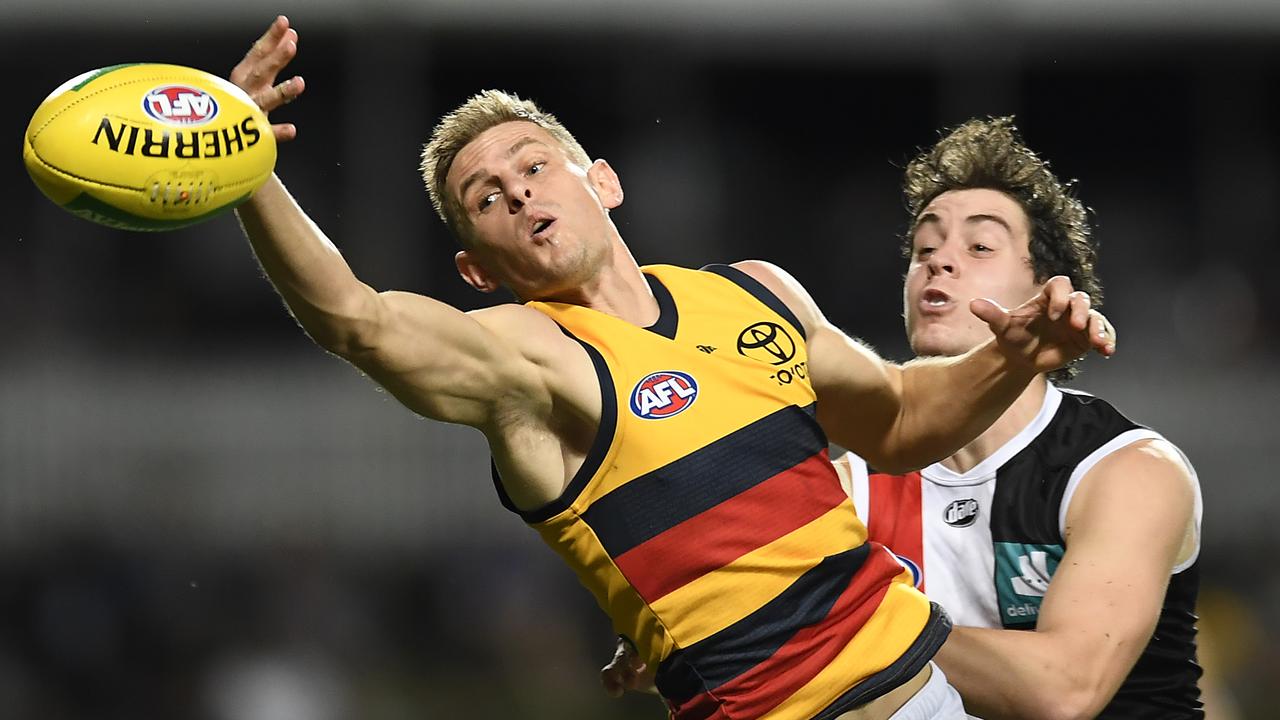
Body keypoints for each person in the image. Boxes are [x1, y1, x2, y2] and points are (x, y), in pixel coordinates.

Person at [230, 17, 1114, 720]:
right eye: (485, 200)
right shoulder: (528, 360)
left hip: (926, 701)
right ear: (479, 271)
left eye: (534, 166)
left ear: (603, 182)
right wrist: (249, 168)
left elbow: (893, 420)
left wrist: (1011, 359)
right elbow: (358, 321)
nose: (520, 193)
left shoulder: (752, 292)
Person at [603, 118, 1202, 719]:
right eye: (924, 248)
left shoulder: (1125, 470)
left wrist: (832, 618)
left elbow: (1061, 691)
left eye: (980, 247)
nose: (940, 262)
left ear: (1045, 289)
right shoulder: (847, 484)